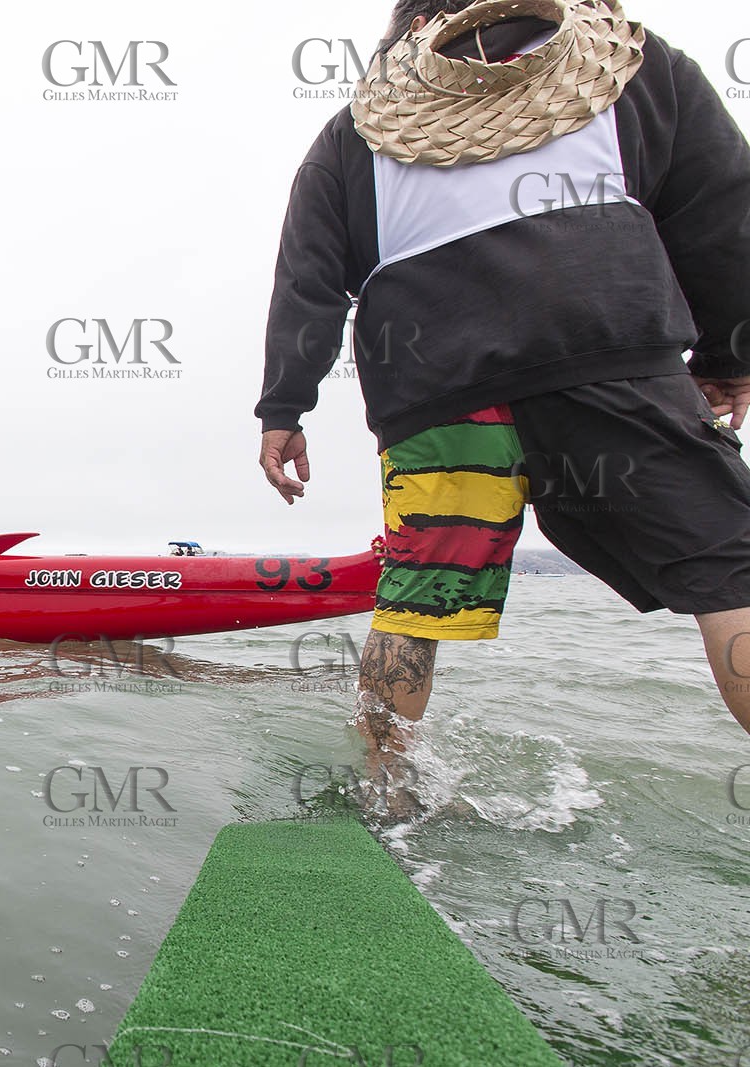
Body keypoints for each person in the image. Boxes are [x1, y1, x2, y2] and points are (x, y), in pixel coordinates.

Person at [256, 0, 750, 749]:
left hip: (436, 394)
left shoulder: (358, 130)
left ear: (407, 33)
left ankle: (385, 794)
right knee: (731, 576)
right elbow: (722, 220)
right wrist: (727, 360)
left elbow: (308, 276)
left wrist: (284, 408)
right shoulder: (628, 66)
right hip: (608, 357)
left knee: (414, 604)